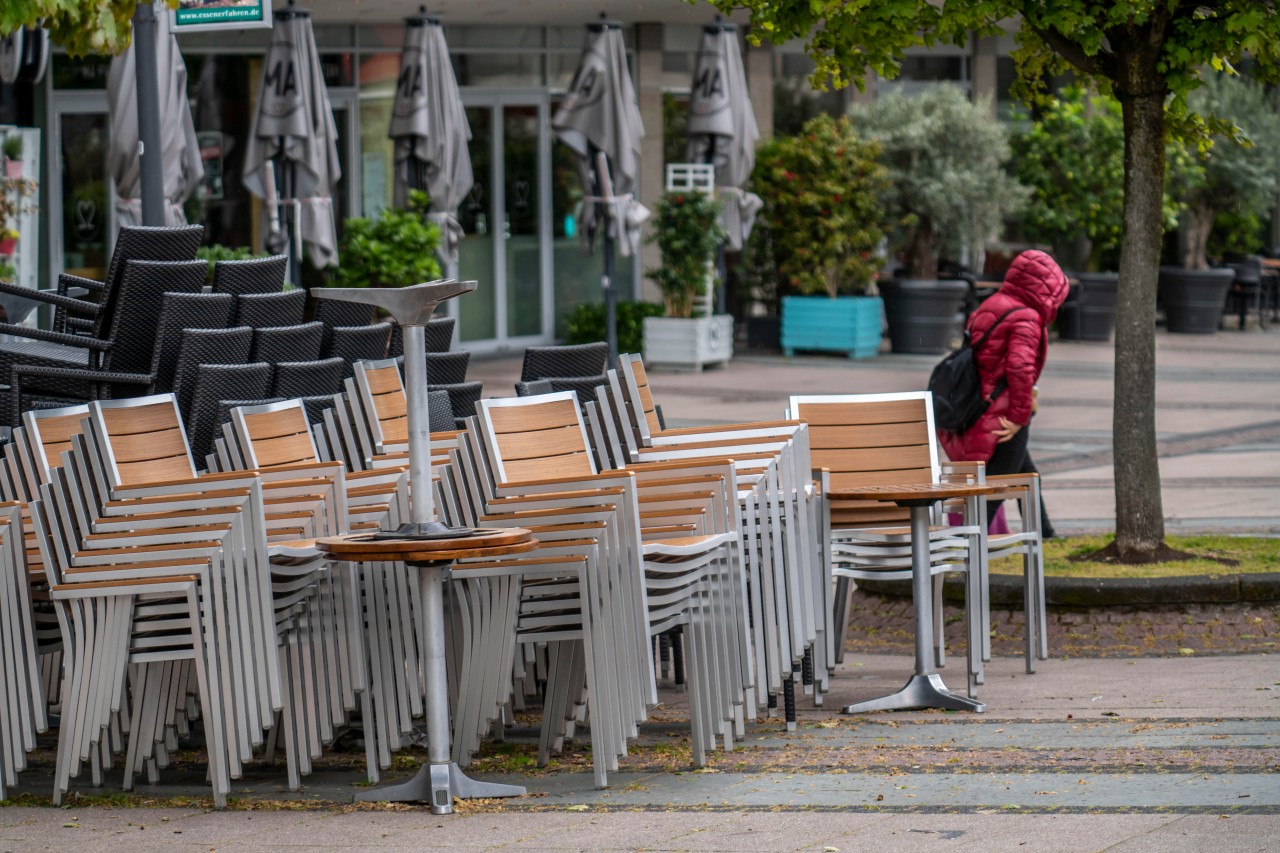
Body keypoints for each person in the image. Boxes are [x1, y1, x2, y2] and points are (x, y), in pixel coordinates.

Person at [939, 249, 1069, 537]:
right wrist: (1020, 416)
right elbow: (1019, 367)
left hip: (981, 408)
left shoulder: (992, 304)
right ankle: (967, 544)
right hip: (1003, 414)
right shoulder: (1027, 317)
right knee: (997, 487)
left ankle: (1046, 535)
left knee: (1027, 476)